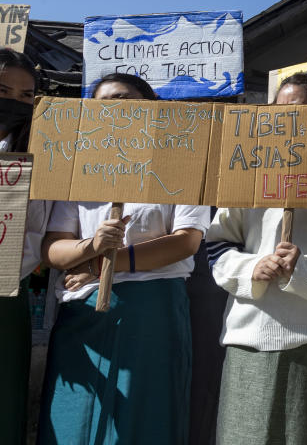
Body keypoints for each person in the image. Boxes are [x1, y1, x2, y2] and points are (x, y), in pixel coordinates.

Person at [37, 73, 209, 445]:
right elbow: (53, 249)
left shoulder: (180, 163)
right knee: (74, 421)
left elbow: (185, 242)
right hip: (83, 315)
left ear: (151, 107)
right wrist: (91, 247)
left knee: (140, 420)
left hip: (150, 310)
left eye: (125, 99)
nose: (115, 109)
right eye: (103, 104)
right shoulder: (77, 169)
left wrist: (102, 266)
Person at [207, 71, 307, 445]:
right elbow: (218, 244)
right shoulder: (246, 171)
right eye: (281, 111)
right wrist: (252, 268)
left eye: (303, 111)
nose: (289, 119)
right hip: (251, 335)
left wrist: (305, 269)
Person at [0, 48, 52, 445]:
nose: (13, 103)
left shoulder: (39, 161)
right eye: (3, 91)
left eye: (24, 96)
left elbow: (35, 237)